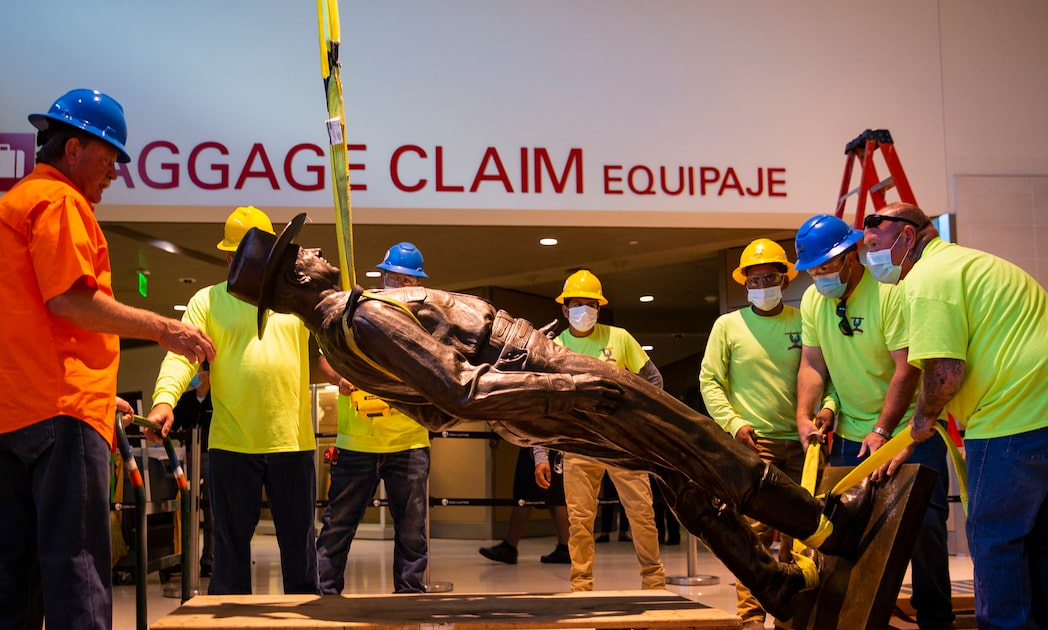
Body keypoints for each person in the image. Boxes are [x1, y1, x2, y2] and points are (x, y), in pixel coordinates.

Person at [224, 214, 877, 621]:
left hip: (534, 395)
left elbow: (432, 409)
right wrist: (568, 386)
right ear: (294, 282)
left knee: (677, 474)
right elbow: (459, 392)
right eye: (298, 254)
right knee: (697, 442)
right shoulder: (361, 317)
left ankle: (775, 586)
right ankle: (825, 526)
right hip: (543, 376)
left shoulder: (337, 334)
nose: (313, 251)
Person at [0, 89, 215, 629]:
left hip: (17, 414)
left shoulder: (8, 207)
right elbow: (69, 300)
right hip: (59, 413)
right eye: (109, 158)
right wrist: (164, 329)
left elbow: (30, 322)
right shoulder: (60, 202)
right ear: (72, 149)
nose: (114, 172)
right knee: (77, 565)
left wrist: (99, 393)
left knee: (17, 564)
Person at [861, 202, 1048, 630]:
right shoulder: (972, 264)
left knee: (996, 540)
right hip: (1037, 418)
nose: (871, 257)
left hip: (1010, 421)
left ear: (908, 236)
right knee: (1039, 542)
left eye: (875, 246)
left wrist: (918, 425)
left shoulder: (927, 278)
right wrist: (914, 436)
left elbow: (944, 374)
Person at [793, 214, 954, 630]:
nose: (819, 277)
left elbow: (908, 369)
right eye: (812, 270)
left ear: (850, 257)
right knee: (846, 535)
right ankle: (851, 619)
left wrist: (883, 430)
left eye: (826, 266)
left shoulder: (889, 293)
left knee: (925, 530)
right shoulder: (813, 301)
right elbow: (812, 364)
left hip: (909, 434)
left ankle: (935, 620)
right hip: (851, 438)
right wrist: (804, 415)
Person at [147, 206, 317, 595]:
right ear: (228, 258)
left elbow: (335, 337)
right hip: (232, 444)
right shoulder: (207, 301)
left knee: (301, 558)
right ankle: (230, 616)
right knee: (229, 561)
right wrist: (164, 400)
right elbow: (180, 357)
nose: (239, 262)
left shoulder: (296, 299)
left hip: (292, 444)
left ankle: (306, 618)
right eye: (235, 255)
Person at [700, 238, 836, 630]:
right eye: (754, 280)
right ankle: (750, 617)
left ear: (785, 280)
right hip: (752, 446)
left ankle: (793, 618)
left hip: (805, 447)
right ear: (744, 284)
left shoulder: (804, 321)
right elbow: (710, 381)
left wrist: (829, 407)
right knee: (751, 538)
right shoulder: (728, 326)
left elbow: (828, 375)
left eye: (770, 278)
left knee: (806, 536)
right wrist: (735, 424)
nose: (762, 286)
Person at [315, 242, 433, 594]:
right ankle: (324, 596)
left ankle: (410, 599)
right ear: (383, 277)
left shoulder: (427, 322)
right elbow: (325, 357)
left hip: (409, 441)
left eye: (406, 279)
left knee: (412, 531)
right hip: (357, 442)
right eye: (394, 277)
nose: (399, 284)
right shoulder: (356, 313)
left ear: (418, 283)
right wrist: (341, 376)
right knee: (337, 527)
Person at [552, 270, 667, 592]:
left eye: (591, 304)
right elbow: (544, 402)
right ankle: (581, 586)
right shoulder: (556, 347)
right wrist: (541, 454)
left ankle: (654, 583)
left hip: (622, 442)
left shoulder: (619, 337)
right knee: (580, 521)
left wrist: (638, 420)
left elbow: (653, 380)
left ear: (599, 308)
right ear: (565, 309)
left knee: (641, 513)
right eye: (577, 304)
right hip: (579, 443)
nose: (584, 310)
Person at [477, 445, 571, 565]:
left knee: (523, 495)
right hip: (556, 446)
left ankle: (510, 546)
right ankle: (565, 547)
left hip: (535, 445)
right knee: (555, 496)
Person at [170, 361, 214, 576]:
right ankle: (182, 556)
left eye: (197, 371)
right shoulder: (185, 400)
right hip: (187, 458)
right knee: (184, 508)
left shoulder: (216, 399)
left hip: (210, 457)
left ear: (207, 374)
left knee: (211, 509)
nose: (194, 376)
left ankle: (209, 559)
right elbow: (173, 426)